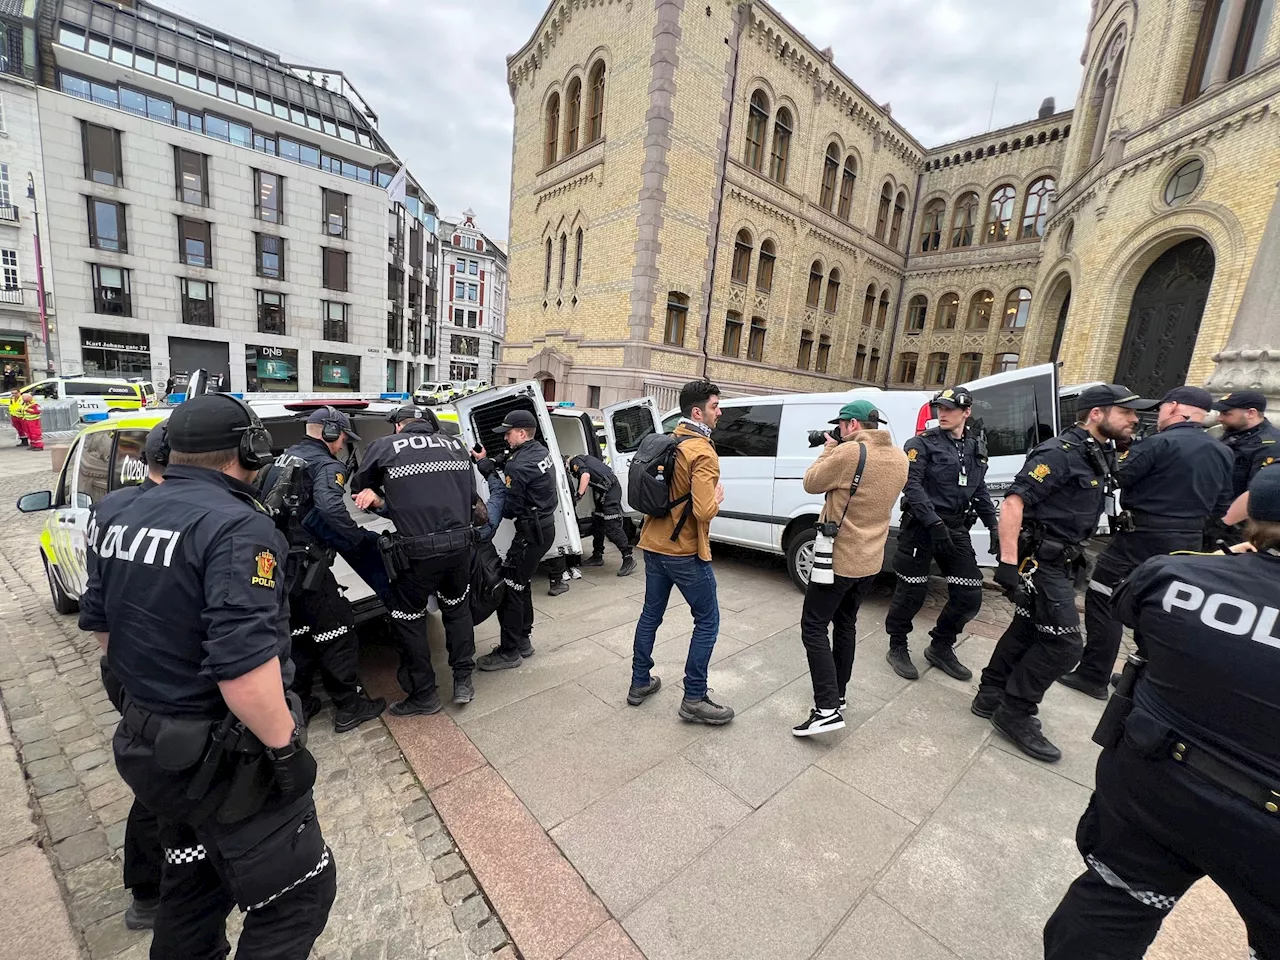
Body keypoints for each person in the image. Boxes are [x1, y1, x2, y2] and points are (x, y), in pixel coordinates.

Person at [83, 394, 335, 958]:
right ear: (251, 450)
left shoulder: (117, 512)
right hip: (224, 762)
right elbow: (244, 670)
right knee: (300, 893)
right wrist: (287, 753)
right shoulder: (238, 527)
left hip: (150, 747)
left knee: (193, 886)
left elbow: (103, 630)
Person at [1042, 467, 1280, 959]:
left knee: (1111, 910)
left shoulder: (1179, 572)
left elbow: (1134, 612)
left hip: (1156, 782)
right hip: (1263, 823)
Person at [975, 384, 1155, 763]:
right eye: (1126, 412)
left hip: (1065, 559)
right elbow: (1012, 505)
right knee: (1064, 644)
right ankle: (1016, 710)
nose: (1135, 419)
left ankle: (991, 693)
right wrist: (1007, 564)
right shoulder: (1059, 453)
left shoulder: (1098, 453)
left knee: (1027, 628)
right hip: (1041, 561)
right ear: (1096, 414)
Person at [1061, 386, 1233, 699]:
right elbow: (1223, 506)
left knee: (1105, 598)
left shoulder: (1159, 443)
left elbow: (1119, 477)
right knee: (1158, 608)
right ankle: (1142, 680)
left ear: (1174, 407)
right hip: (1188, 543)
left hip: (1141, 537)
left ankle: (1093, 674)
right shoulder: (1222, 451)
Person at [82, 424, 169, 930]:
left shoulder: (110, 508)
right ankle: (154, 890)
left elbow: (96, 611)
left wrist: (127, 666)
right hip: (168, 672)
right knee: (169, 781)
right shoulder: (202, 514)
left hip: (125, 664)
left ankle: (148, 891)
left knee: (155, 778)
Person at [259, 407, 385, 732]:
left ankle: (301, 701)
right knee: (338, 628)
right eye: (343, 436)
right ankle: (348, 707)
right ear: (330, 432)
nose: (343, 443)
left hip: (278, 565)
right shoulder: (326, 465)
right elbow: (331, 508)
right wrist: (360, 540)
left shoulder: (281, 459)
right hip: (307, 565)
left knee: (297, 632)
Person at [793, 401, 908, 736]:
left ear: (852, 424)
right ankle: (839, 695)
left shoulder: (848, 454)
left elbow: (811, 483)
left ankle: (826, 708)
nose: (839, 431)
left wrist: (829, 449)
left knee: (813, 628)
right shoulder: (899, 458)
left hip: (838, 558)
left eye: (841, 426)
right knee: (845, 624)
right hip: (870, 558)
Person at [352, 405, 477, 711]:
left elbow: (359, 489)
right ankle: (463, 681)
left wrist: (382, 502)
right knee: (457, 611)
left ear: (398, 426)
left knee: (409, 620)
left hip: (418, 555)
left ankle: (424, 694)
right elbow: (470, 497)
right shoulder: (455, 445)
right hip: (461, 548)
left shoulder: (384, 447)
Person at [629, 380, 734, 725]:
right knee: (708, 620)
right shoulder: (702, 451)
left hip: (652, 545)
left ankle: (639, 682)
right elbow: (703, 511)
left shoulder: (671, 440)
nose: (719, 412)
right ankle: (694, 697)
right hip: (684, 552)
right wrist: (716, 501)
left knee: (650, 615)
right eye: (715, 406)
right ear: (697, 411)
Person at [883, 387, 998, 683]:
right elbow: (913, 485)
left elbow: (979, 489)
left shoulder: (975, 447)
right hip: (922, 528)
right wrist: (933, 523)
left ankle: (941, 645)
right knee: (912, 592)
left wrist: (994, 526)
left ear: (966, 412)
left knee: (970, 593)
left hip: (956, 528)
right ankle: (897, 645)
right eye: (939, 408)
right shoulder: (921, 444)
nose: (942, 414)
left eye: (949, 408)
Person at [472, 409, 558, 669]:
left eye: (508, 434)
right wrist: (493, 461)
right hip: (544, 529)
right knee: (522, 583)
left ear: (522, 433)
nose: (506, 438)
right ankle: (523, 640)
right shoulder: (539, 450)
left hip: (530, 533)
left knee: (510, 587)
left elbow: (510, 508)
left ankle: (510, 651)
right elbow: (511, 456)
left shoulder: (518, 466)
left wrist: (490, 473)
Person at [1211, 390, 1280, 543]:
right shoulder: (1233, 434)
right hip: (1213, 517)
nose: (1219, 418)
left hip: (1234, 527)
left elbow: (1255, 493)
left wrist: (1224, 523)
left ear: (1250, 413)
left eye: (1226, 413)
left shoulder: (1270, 445)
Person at [568, 452, 636, 577]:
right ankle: (597, 555)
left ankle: (628, 558)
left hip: (610, 492)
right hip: (605, 492)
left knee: (612, 527)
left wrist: (578, 496)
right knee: (597, 523)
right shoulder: (584, 459)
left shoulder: (575, 461)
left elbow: (586, 476)